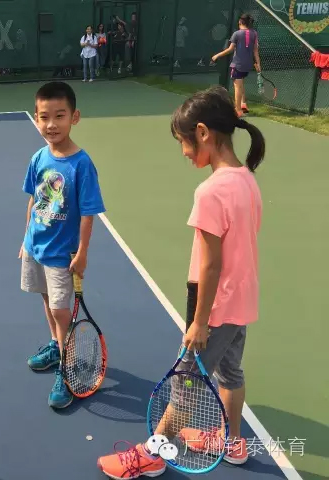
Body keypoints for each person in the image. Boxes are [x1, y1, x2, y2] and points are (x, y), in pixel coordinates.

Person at [97, 85, 265, 478]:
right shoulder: (247, 179)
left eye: (183, 142)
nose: (184, 152)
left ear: (203, 133)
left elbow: (211, 265)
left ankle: (153, 454)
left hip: (215, 308)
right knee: (230, 373)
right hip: (241, 302)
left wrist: (201, 322)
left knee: (185, 382)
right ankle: (232, 442)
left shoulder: (211, 191)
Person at [19, 81, 106, 409]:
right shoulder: (38, 157)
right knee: (46, 299)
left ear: (74, 117)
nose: (51, 124)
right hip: (36, 248)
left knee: (60, 309)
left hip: (61, 254)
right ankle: (58, 347)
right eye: (44, 117)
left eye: (59, 116)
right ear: (36, 119)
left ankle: (66, 368)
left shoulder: (82, 164)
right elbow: (34, 200)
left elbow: (88, 214)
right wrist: (25, 239)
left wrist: (82, 253)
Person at [212, 13, 262, 117]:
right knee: (240, 83)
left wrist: (217, 55)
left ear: (240, 22)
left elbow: (230, 49)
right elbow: (255, 51)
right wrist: (258, 64)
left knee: (237, 87)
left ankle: (238, 110)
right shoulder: (254, 33)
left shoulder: (237, 34)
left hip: (238, 64)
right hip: (247, 65)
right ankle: (243, 104)